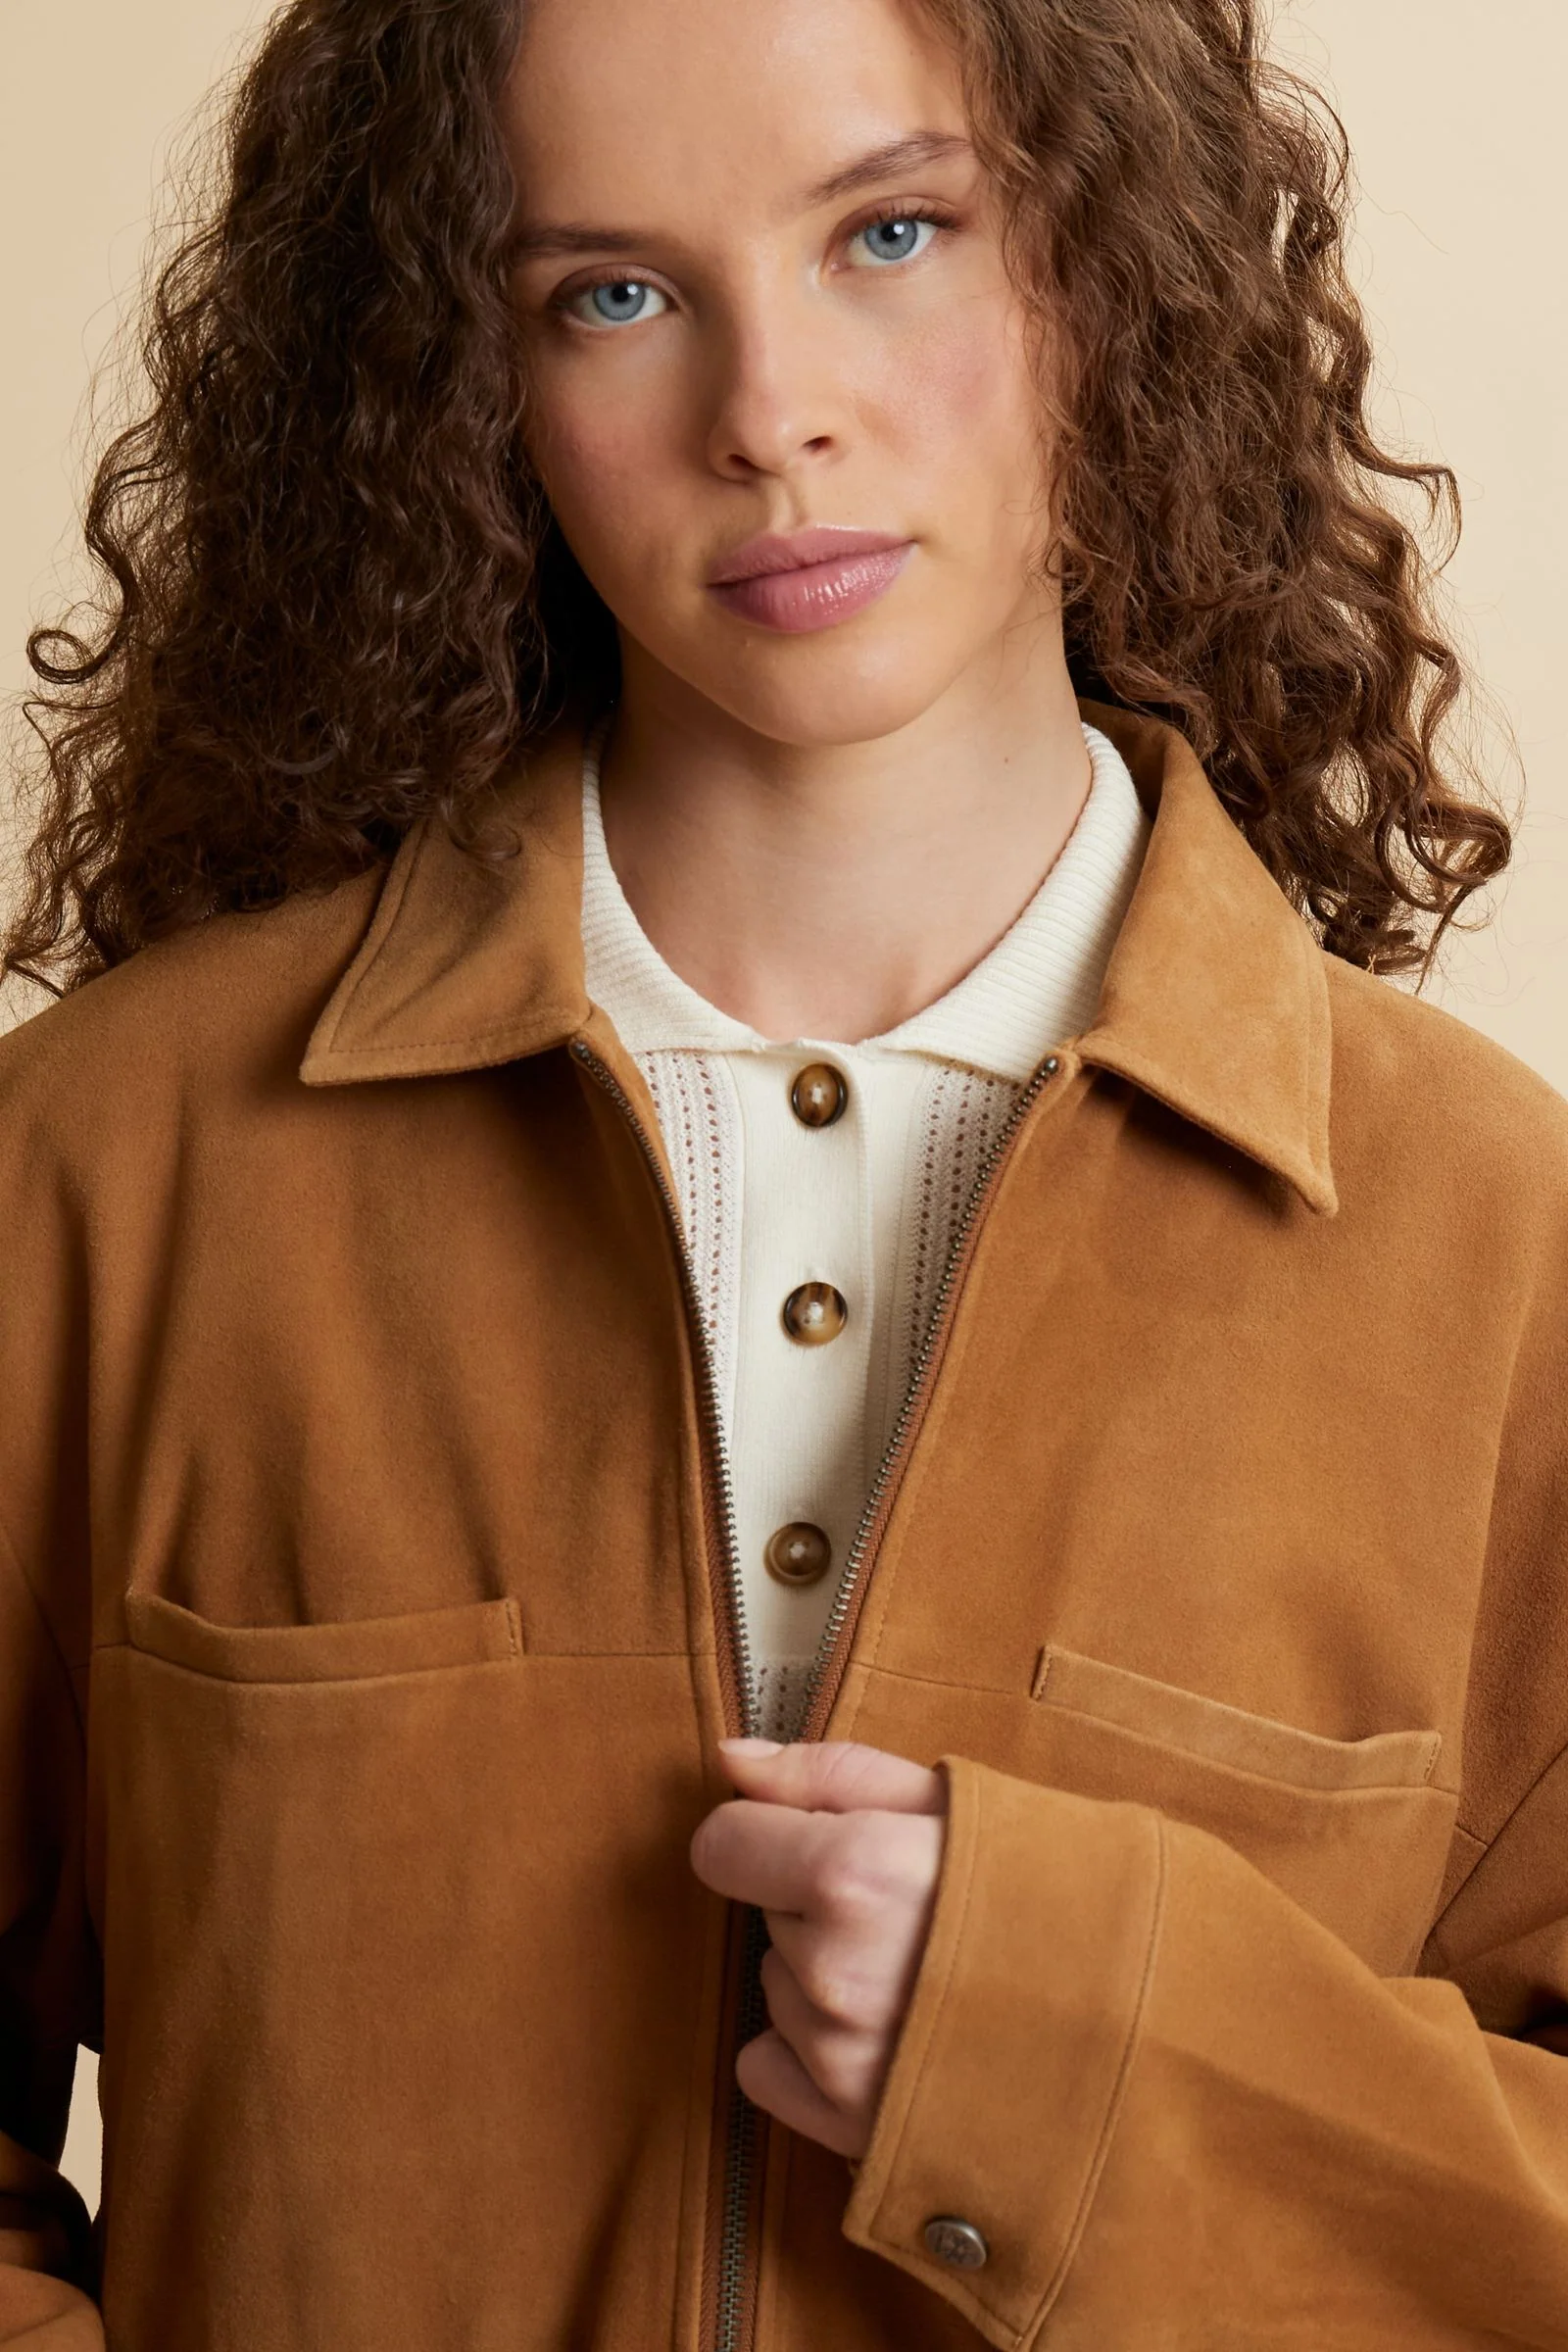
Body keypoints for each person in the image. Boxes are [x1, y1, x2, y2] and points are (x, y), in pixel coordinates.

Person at [2, 0, 1565, 2342]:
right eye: (611, 292)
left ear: (1108, 268)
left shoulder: (1492, 1247)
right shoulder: (108, 1174)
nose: (767, 412)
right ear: (464, 382)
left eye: (891, 233)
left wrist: (1088, 2046)